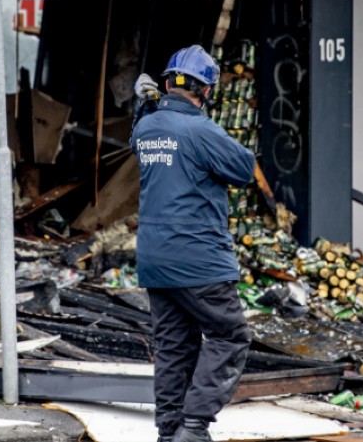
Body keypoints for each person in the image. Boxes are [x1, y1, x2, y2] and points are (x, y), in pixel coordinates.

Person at [130, 45, 256, 442]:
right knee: (229, 335)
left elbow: (139, 138)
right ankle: (195, 427)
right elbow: (244, 169)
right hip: (199, 260)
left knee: (172, 347)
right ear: (205, 91)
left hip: (155, 260)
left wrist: (147, 106)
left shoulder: (147, 127)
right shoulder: (201, 130)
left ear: (167, 83)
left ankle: (170, 433)